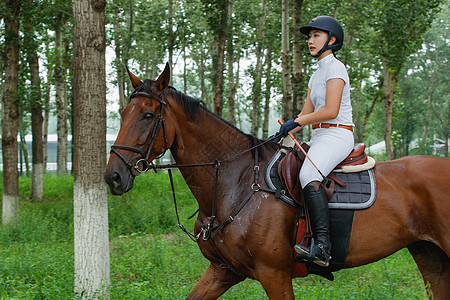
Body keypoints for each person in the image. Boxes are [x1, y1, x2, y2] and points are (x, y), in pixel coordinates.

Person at [276, 16, 354, 267]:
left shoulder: (336, 68)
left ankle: (322, 246)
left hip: (338, 134)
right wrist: (287, 128)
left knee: (309, 174)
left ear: (332, 40)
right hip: (319, 136)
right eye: (309, 37)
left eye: (316, 36)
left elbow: (330, 110)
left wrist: (298, 122)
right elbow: (306, 112)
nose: (310, 41)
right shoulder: (315, 75)